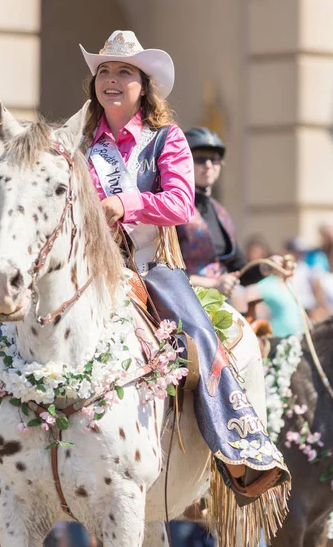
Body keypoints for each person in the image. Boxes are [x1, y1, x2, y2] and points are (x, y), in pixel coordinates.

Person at [79, 30, 289, 511]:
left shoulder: (165, 139)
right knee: (14, 334)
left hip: (153, 269)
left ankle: (239, 449)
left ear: (144, 85)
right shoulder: (80, 142)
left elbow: (178, 202)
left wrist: (124, 203)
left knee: (200, 337)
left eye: (124, 72)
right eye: (104, 72)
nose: (111, 80)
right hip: (87, 271)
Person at [176, 128, 282, 301]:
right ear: (183, 161)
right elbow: (166, 268)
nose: (208, 165)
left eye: (214, 159)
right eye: (200, 158)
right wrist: (213, 284)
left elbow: (239, 270)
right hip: (182, 303)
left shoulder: (221, 213)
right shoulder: (172, 207)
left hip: (220, 303)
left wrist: (267, 267)